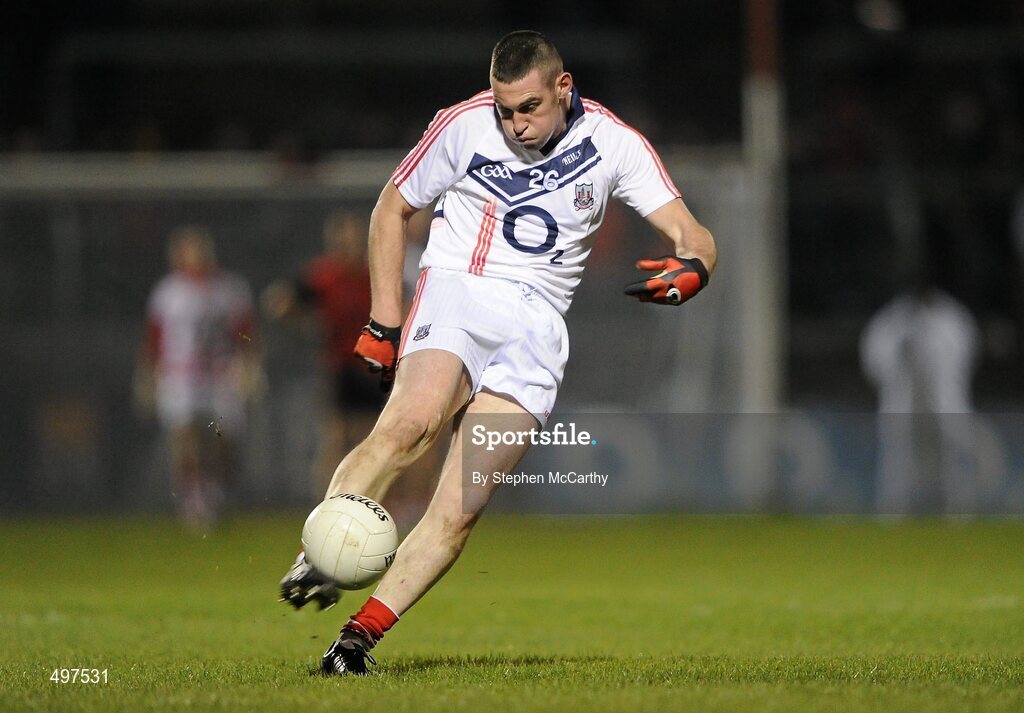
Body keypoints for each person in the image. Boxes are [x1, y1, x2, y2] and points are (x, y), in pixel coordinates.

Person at [279, 30, 717, 675]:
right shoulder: (461, 126)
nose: (515, 124)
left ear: (563, 88)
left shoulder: (613, 143)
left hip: (537, 329)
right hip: (459, 291)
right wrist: (384, 319)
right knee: (409, 425)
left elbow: (691, 231)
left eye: (529, 108)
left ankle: (354, 644)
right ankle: (321, 551)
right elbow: (391, 209)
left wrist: (694, 270)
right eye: (505, 109)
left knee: (459, 509)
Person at [135, 226, 262, 529]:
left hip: (220, 375)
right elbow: (154, 338)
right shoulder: (168, 291)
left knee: (222, 438)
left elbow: (245, 332)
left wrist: (249, 364)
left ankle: (215, 490)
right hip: (180, 376)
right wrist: (147, 375)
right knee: (185, 436)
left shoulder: (229, 289)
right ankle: (193, 497)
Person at [261, 212, 383, 497]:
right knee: (336, 437)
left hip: (373, 366)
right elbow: (279, 302)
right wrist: (303, 322)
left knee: (369, 439)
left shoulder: (373, 271)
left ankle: (366, 499)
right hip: (339, 365)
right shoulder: (324, 276)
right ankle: (328, 501)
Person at [860, 273, 980, 513]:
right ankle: (894, 509)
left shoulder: (953, 317)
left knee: (952, 453)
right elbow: (873, 356)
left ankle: (958, 509)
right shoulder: (892, 319)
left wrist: (937, 366)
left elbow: (966, 354)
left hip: (944, 398)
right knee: (897, 455)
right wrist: (896, 362)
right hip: (903, 397)